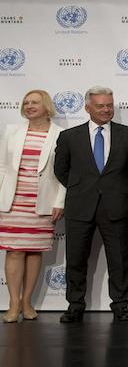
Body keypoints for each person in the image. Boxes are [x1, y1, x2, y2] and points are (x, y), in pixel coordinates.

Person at [54, 86, 128, 322]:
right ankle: (75, 304)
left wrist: (116, 187)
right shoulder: (69, 137)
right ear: (87, 108)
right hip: (80, 205)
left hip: (115, 204)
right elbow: (61, 170)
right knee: (75, 257)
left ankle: (120, 304)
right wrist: (81, 187)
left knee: (119, 258)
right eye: (100, 105)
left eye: (109, 105)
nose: (106, 110)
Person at [0, 90, 65, 323]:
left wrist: (59, 201)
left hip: (42, 202)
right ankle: (13, 304)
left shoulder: (60, 134)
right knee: (14, 250)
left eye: (34, 102)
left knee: (34, 251)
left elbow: (63, 172)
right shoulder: (12, 131)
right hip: (13, 202)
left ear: (46, 106)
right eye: (26, 102)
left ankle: (27, 302)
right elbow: (2, 166)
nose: (29, 106)